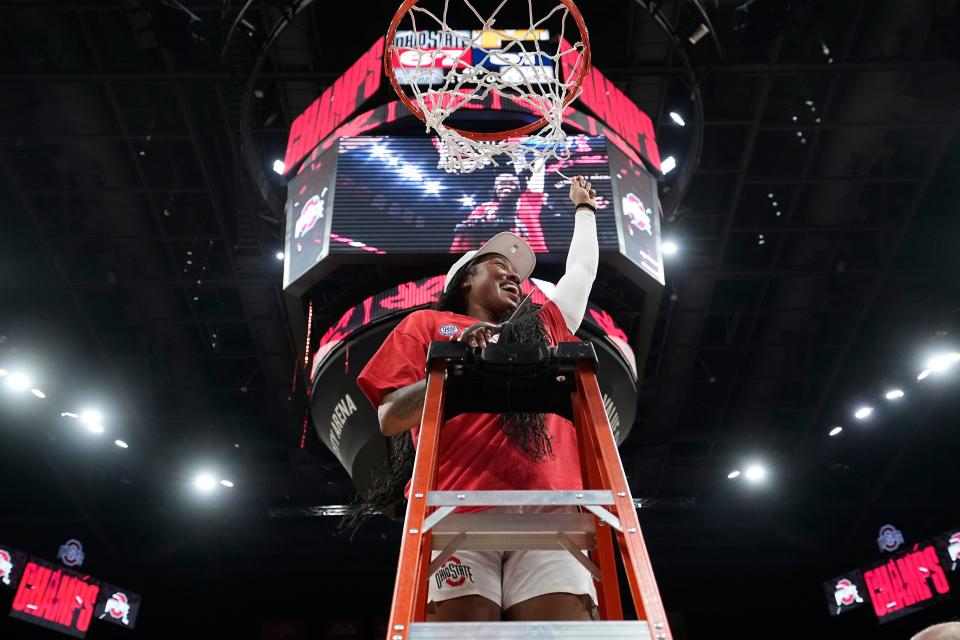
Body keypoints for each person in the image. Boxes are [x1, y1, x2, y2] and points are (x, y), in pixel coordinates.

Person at [349, 176, 599, 622]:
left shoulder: (542, 326)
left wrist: (585, 212)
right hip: (456, 506)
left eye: (519, 275)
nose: (514, 277)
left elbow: (580, 274)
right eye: (499, 265)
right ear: (466, 278)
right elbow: (390, 416)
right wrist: (461, 366)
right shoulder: (426, 324)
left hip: (551, 504)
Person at [449, 164, 549, 253]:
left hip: (529, 254)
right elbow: (465, 232)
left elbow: (537, 175)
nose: (506, 186)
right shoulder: (483, 208)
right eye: (501, 184)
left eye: (511, 184)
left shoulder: (529, 202)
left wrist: (536, 153)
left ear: (519, 188)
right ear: (496, 189)